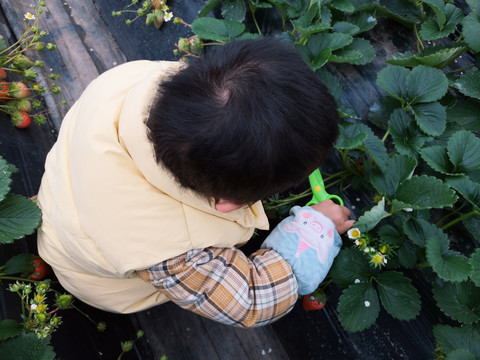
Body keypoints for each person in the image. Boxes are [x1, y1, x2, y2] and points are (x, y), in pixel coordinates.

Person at [37, 37, 354, 327]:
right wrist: (314, 231)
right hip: (90, 276)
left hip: (66, 195)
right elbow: (251, 301)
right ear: (228, 204)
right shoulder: (167, 250)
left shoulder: (134, 83)